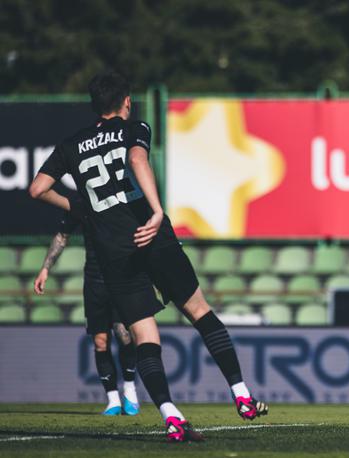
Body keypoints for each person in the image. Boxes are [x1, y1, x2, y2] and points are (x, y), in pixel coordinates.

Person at [29, 71, 267, 442]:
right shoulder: (132, 127)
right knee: (200, 312)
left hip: (113, 249)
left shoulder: (72, 144)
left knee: (144, 336)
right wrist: (156, 212)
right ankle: (242, 395)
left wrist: (80, 207)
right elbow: (139, 161)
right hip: (151, 236)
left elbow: (37, 188)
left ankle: (171, 416)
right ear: (125, 101)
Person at [33, 207, 140, 416]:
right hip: (94, 280)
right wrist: (45, 268)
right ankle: (112, 400)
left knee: (124, 335)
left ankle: (129, 389)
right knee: (100, 342)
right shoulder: (80, 204)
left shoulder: (119, 199)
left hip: (122, 276)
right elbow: (62, 236)